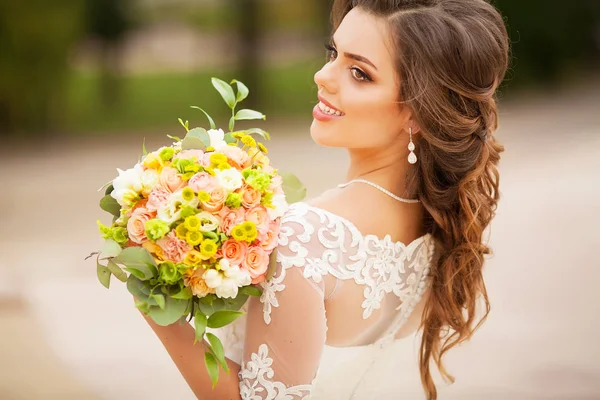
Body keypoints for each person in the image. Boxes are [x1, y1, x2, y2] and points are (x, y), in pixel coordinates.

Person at [141, 0, 509, 398]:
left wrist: (151, 292)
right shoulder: (440, 220)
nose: (322, 76)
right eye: (333, 53)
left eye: (358, 72)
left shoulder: (304, 237)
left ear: (417, 115)